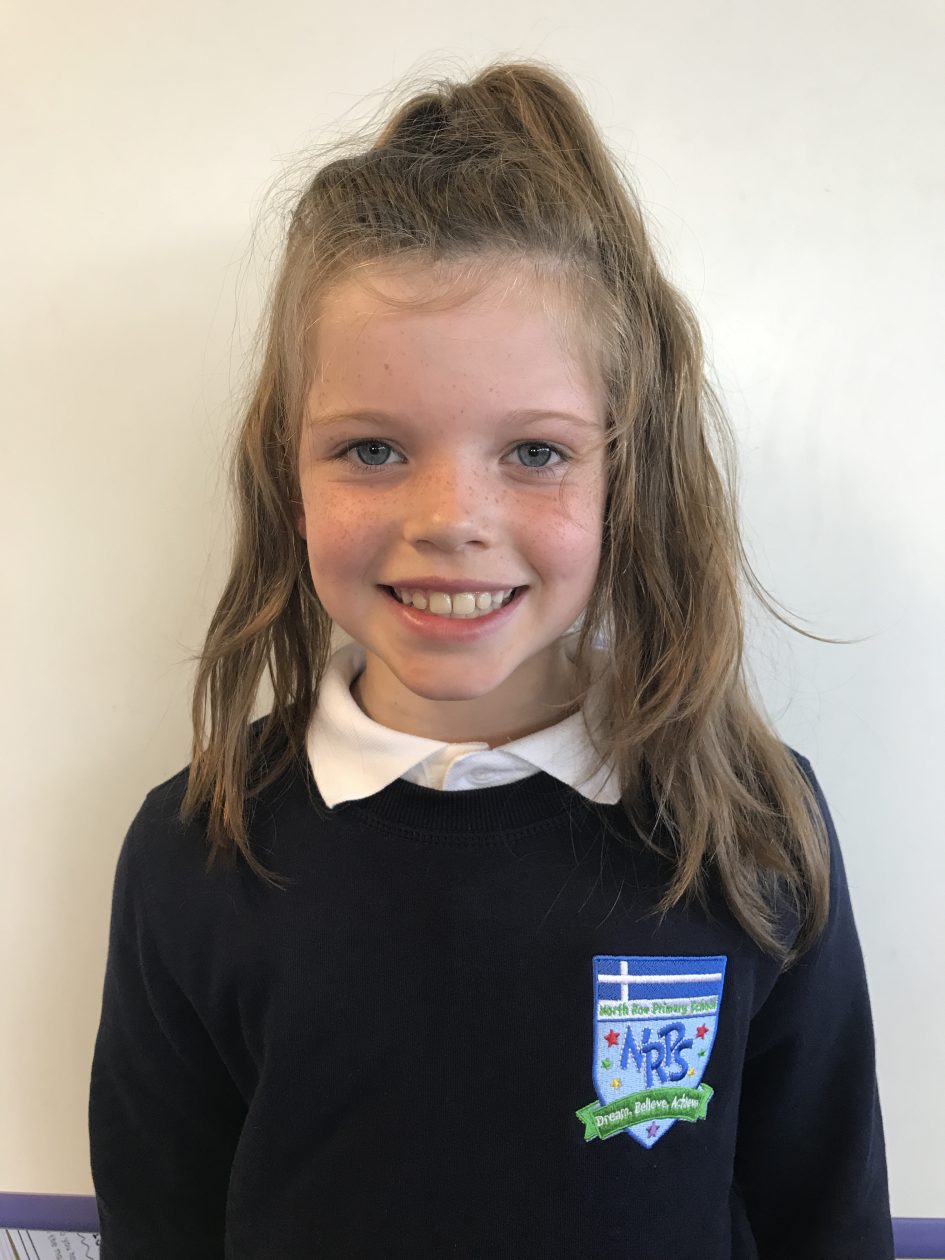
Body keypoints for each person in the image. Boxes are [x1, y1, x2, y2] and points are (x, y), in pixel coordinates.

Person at [88, 60, 894, 1259]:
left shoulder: (751, 829)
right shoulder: (193, 851)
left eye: (534, 452)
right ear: (285, 474)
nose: (450, 519)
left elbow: (827, 1220)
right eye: (372, 449)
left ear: (627, 476)